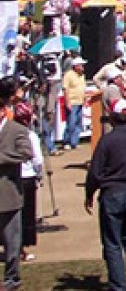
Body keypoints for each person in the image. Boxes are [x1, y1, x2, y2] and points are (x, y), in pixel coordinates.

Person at [85, 98, 126, 291]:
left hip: (112, 193)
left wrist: (89, 194)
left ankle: (118, 285)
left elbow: (95, 172)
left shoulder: (107, 141)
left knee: (112, 242)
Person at [0, 85, 33, 289]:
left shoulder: (17, 130)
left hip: (9, 192)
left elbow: (25, 153)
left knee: (11, 241)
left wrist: (2, 158)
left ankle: (12, 278)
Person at [11, 103, 41, 264]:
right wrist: (39, 174)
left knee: (11, 214)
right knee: (26, 216)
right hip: (27, 178)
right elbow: (37, 159)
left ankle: (14, 247)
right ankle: (21, 249)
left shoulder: (7, 133)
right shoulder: (30, 136)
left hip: (11, 177)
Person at [61, 57, 88, 151]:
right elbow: (65, 89)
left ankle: (74, 142)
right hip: (72, 102)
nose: (83, 67)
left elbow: (83, 88)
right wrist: (67, 102)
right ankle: (66, 141)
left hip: (80, 102)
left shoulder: (82, 76)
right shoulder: (68, 75)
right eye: (81, 65)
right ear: (76, 66)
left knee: (78, 123)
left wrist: (84, 99)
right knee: (71, 123)